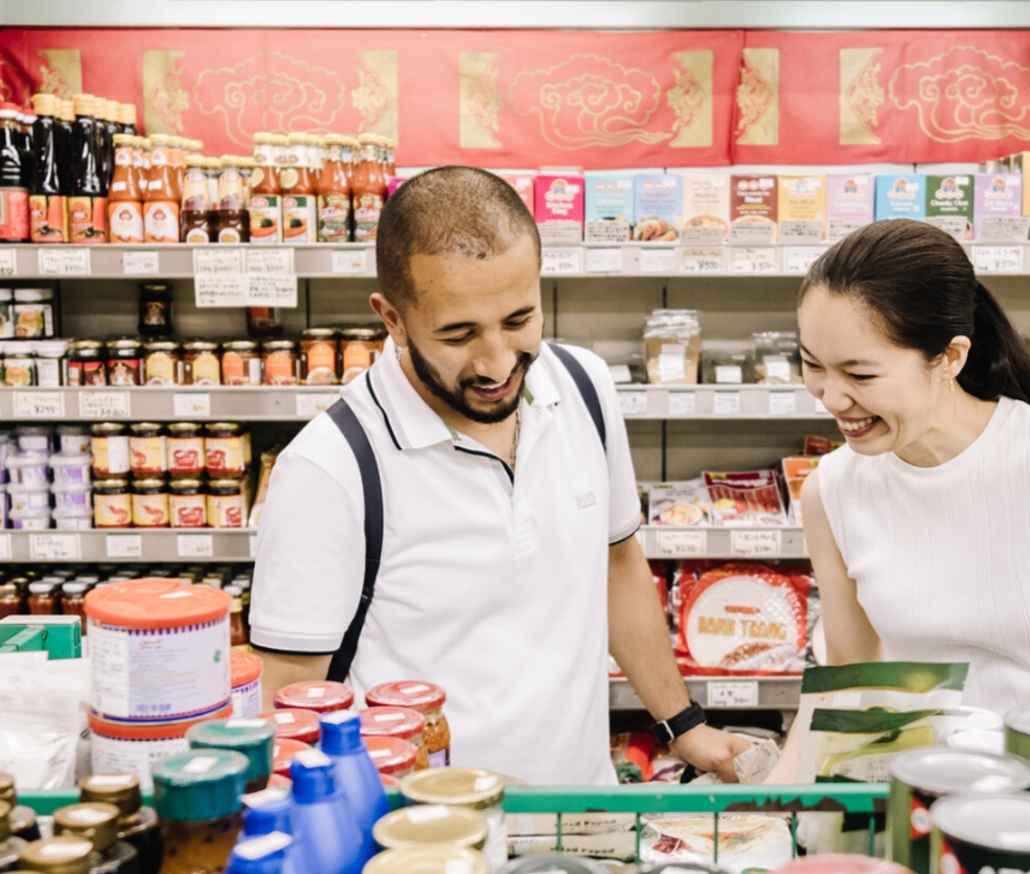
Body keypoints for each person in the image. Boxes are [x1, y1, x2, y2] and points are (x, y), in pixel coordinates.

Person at [249, 166, 746, 783]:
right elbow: (292, 702)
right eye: (458, 334)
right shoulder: (330, 469)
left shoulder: (584, 388)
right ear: (393, 318)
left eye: (518, 321)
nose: (497, 363)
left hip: (580, 813)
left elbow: (616, 564)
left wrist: (683, 724)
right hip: (421, 837)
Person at [797, 219, 1030, 709]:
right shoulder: (831, 490)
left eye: (860, 374)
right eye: (812, 365)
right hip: (907, 774)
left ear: (951, 357)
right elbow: (853, 686)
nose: (831, 397)